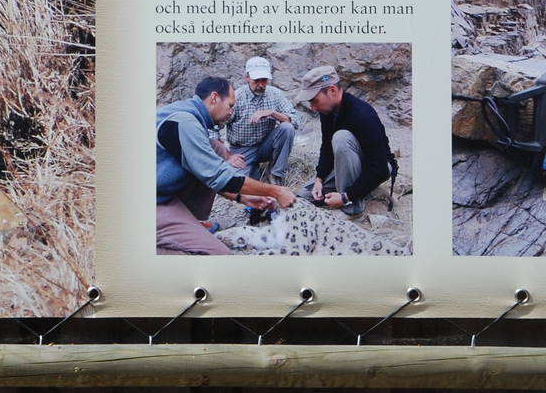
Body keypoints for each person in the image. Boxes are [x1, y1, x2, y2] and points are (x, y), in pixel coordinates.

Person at [157, 77, 298, 255]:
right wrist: (276, 191)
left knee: (213, 147)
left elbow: (206, 169)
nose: (231, 112)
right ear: (214, 98)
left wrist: (242, 198)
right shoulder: (185, 122)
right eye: (230, 106)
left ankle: (193, 221)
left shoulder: (188, 112)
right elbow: (217, 175)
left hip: (164, 192)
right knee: (218, 255)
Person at [292, 65, 395, 217]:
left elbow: (379, 168)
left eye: (314, 100)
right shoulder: (327, 112)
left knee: (341, 137)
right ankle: (341, 191)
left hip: (376, 167)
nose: (313, 107)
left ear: (332, 90)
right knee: (304, 195)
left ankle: (351, 208)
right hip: (349, 166)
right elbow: (326, 147)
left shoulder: (362, 114)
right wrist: (319, 179)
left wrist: (345, 197)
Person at [223, 56, 297, 185]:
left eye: (264, 80)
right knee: (238, 184)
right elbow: (215, 125)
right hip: (242, 150)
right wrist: (227, 155)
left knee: (287, 128)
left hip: (266, 146)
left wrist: (273, 113)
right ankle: (254, 170)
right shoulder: (236, 97)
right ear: (247, 77)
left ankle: (276, 173)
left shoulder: (275, 94)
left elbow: (295, 120)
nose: (261, 85)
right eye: (257, 80)